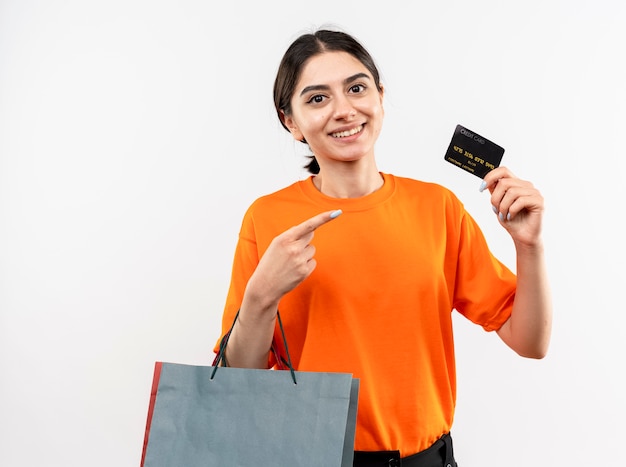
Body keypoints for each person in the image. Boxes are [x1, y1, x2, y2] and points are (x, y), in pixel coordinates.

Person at [214, 28, 552, 467]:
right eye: (317, 99)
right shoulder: (268, 218)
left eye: (356, 88)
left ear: (380, 97)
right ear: (291, 122)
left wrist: (530, 247)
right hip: (310, 457)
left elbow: (531, 342)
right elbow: (236, 383)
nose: (343, 110)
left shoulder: (437, 207)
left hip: (426, 458)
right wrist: (260, 297)